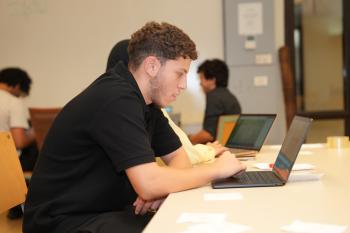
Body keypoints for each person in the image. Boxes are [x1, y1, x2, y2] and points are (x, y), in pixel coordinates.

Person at [23, 22, 246, 233]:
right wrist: (217, 170)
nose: (184, 84)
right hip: (63, 223)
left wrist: (162, 186)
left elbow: (180, 160)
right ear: (151, 66)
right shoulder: (116, 98)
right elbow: (149, 184)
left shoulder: (147, 104)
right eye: (180, 73)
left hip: (101, 213)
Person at [106, 39, 228, 165]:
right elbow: (148, 178)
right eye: (178, 74)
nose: (183, 85)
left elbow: (178, 156)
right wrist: (216, 166)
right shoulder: (122, 107)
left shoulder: (151, 108)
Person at [0, 67, 38, 219]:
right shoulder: (12, 102)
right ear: (16, 86)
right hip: (6, 163)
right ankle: (24, 206)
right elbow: (20, 141)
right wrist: (37, 130)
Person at [188, 59, 241, 144]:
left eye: (201, 78)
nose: (200, 83)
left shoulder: (213, 96)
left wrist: (187, 141)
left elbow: (208, 134)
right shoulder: (230, 96)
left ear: (212, 80)